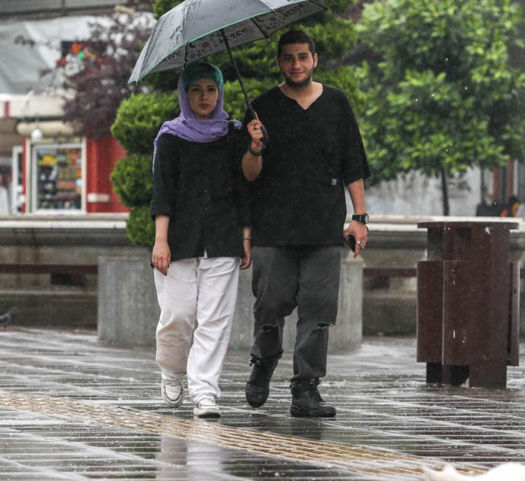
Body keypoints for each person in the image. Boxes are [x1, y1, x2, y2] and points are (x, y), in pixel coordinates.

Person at [241, 29, 371, 418]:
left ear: (314, 59)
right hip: (273, 228)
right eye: (288, 58)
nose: (296, 64)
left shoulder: (336, 103)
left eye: (302, 56)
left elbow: (353, 164)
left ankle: (306, 388)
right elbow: (248, 175)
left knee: (318, 311)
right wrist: (255, 146)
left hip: (323, 228)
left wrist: (359, 218)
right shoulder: (261, 108)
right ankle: (263, 363)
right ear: (278, 62)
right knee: (269, 307)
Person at [150, 61, 252, 419]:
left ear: (220, 92)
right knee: (177, 316)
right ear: (184, 94)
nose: (204, 96)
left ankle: (205, 391)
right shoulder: (171, 137)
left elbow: (244, 189)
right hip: (179, 239)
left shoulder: (234, 134)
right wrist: (160, 240)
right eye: (196, 89)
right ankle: (171, 370)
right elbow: (162, 193)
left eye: (211, 89)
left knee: (215, 320)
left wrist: (245, 236)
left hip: (223, 238)